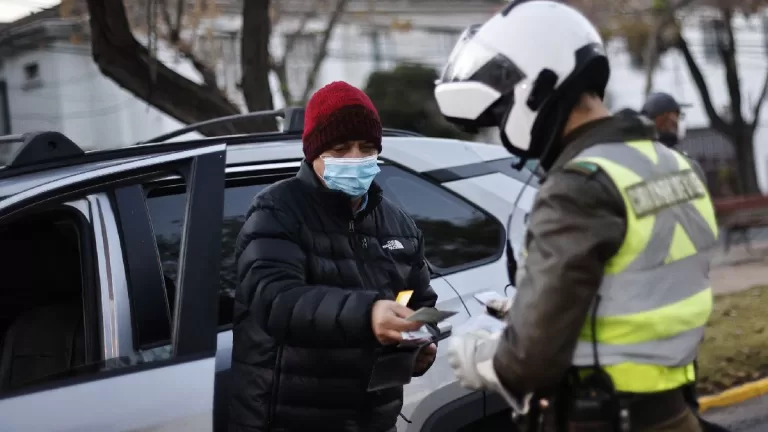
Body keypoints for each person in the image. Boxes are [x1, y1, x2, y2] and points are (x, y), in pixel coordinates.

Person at [433, 2, 718, 431]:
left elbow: (530, 361)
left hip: (602, 416)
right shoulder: (672, 164)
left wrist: (482, 358)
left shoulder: (578, 188)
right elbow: (641, 284)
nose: (506, 128)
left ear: (534, 88)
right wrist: (533, 307)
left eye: (502, 110)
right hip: (673, 409)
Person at [229, 81, 438, 432]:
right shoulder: (276, 210)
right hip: (289, 419)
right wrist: (369, 315)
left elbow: (419, 302)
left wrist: (419, 343)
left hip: (371, 419)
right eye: (340, 149)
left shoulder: (398, 223)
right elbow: (276, 300)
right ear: (314, 154)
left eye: (367, 147)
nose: (355, 158)